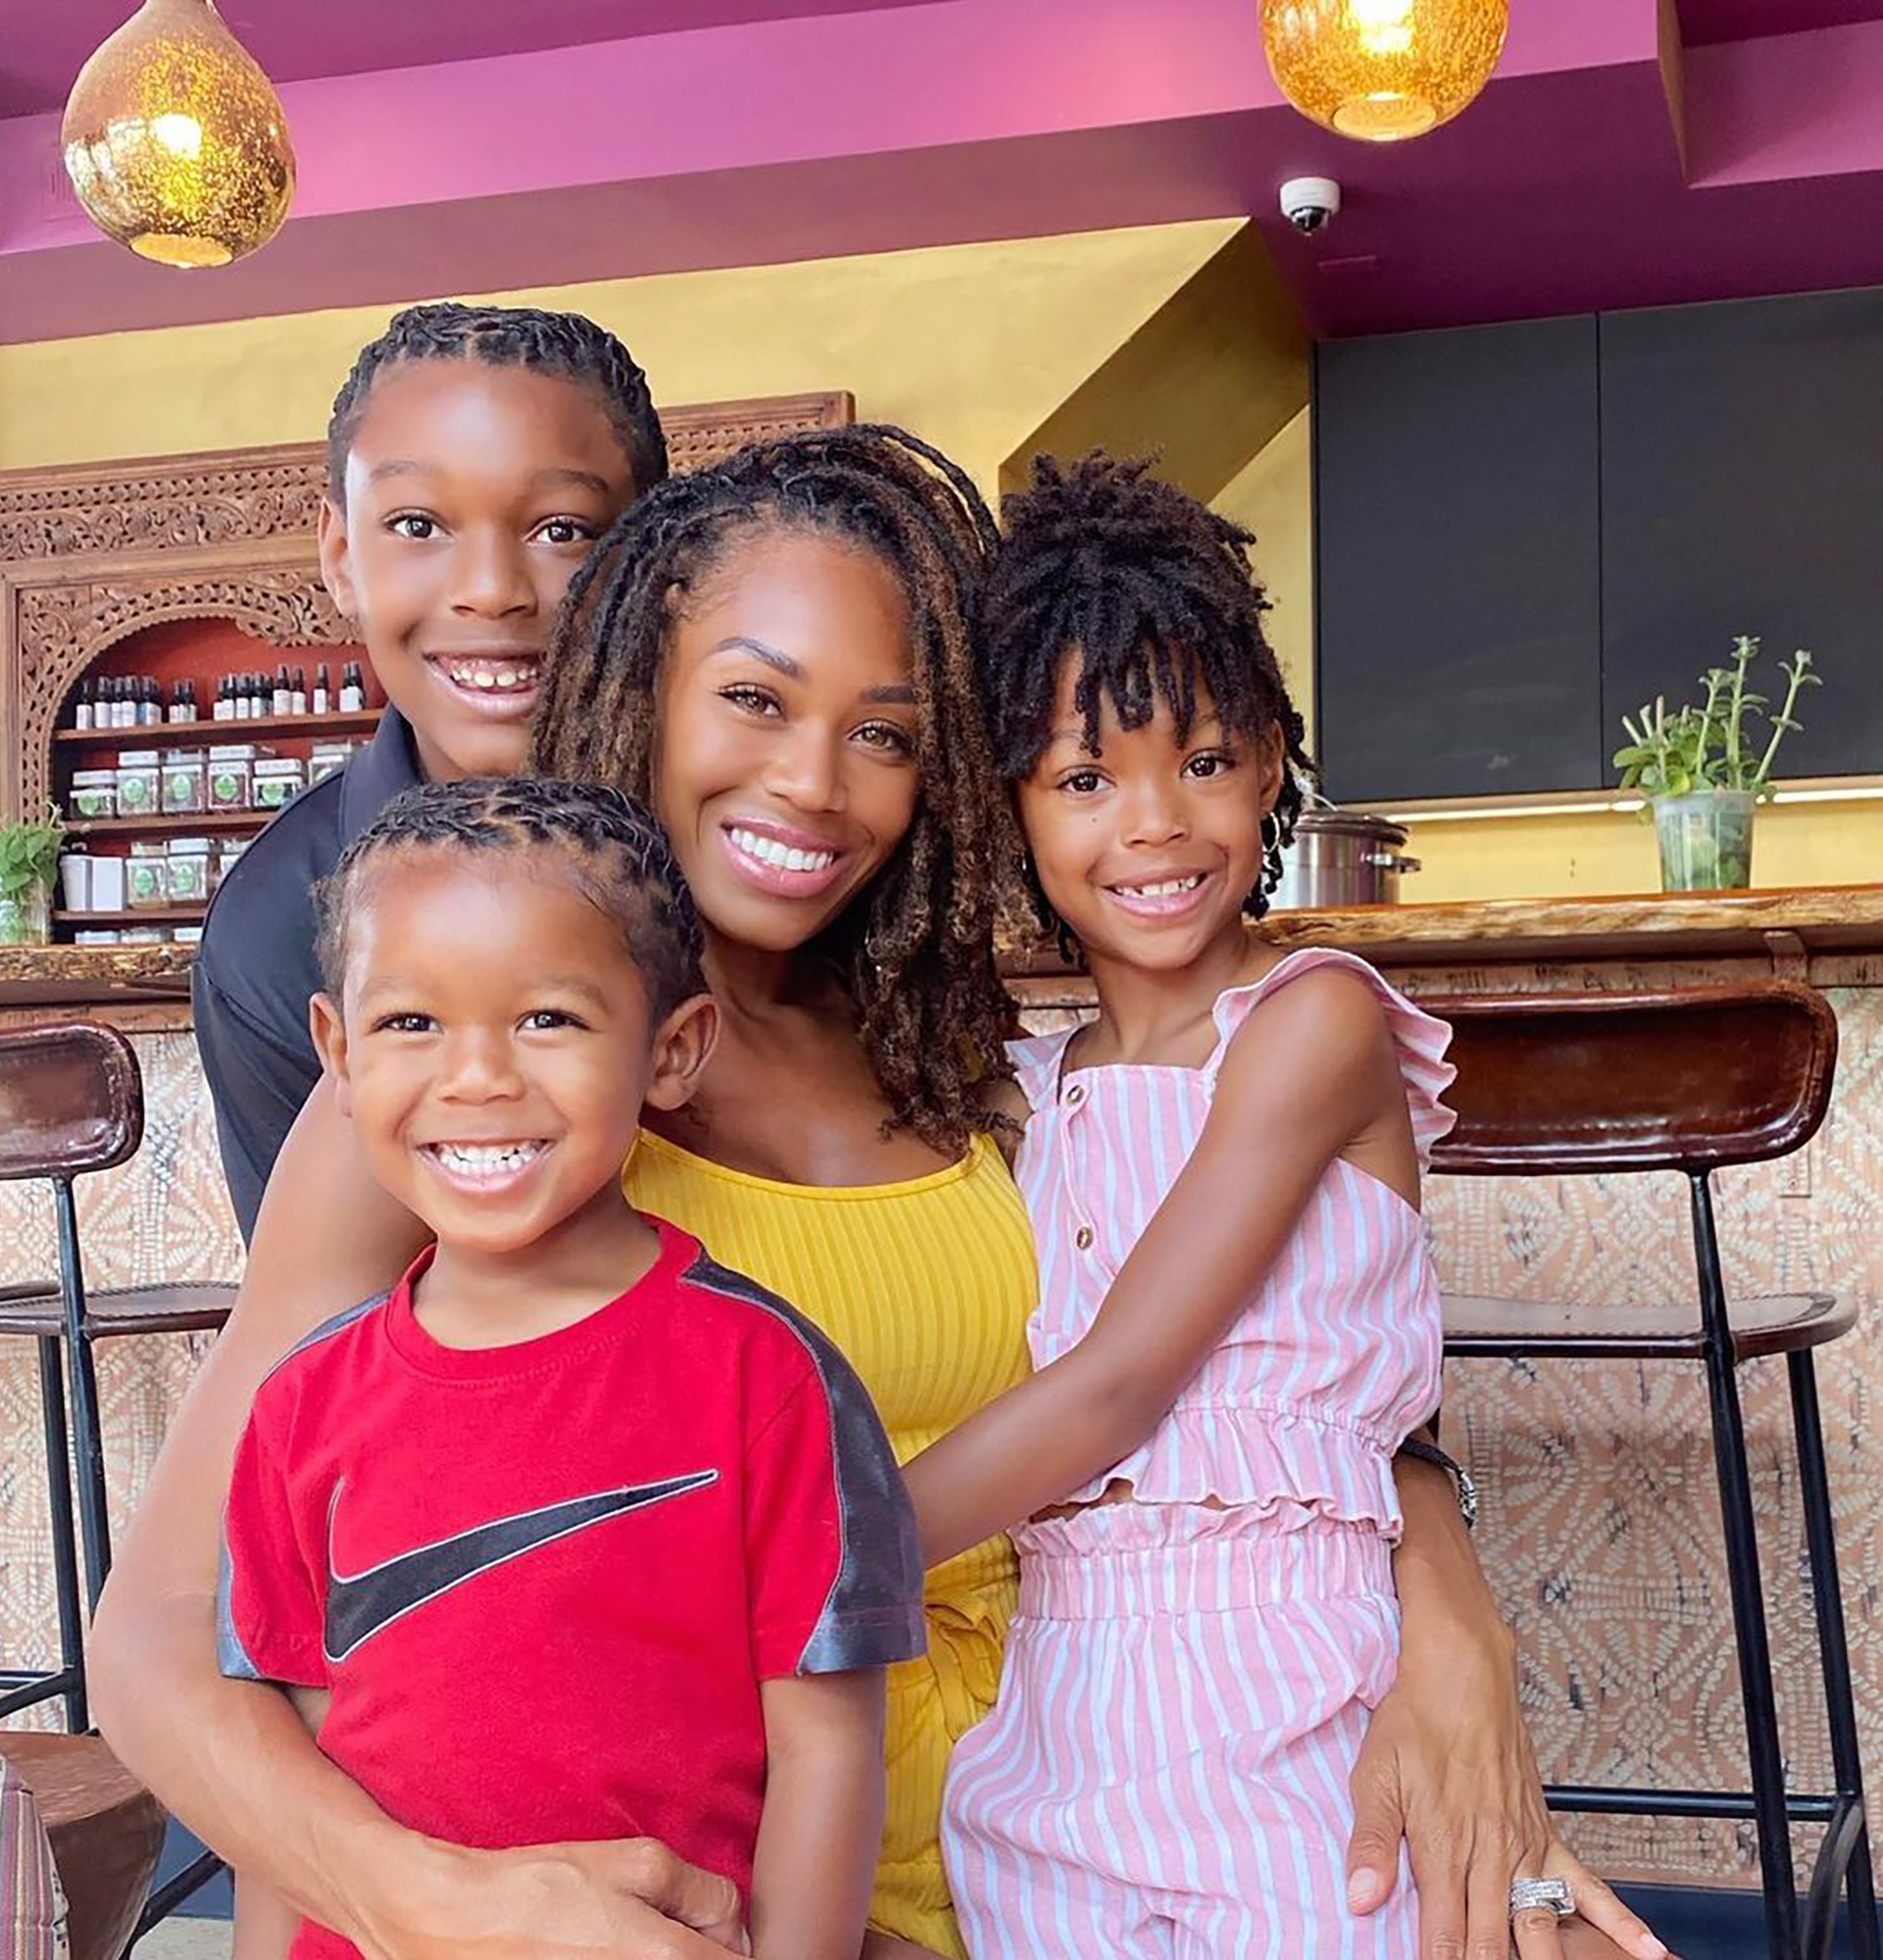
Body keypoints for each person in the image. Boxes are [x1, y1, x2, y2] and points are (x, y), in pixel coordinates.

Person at [94, 423, 1649, 1960]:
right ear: (640, 689)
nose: (813, 784)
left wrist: (1446, 1629)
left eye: (887, 736)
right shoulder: (492, 1100)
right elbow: (166, 1647)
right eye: (753, 699)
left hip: (1122, 1807)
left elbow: (1244, 1366)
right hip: (770, 1887)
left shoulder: (973, 1062)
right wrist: (431, 1901)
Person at [913, 453, 1669, 1960]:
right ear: (1011, 808)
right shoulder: (1022, 1090)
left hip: (1280, 1684)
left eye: (1202, 760)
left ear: (1269, 765)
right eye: (1084, 778)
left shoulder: (1311, 1022)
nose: (1155, 823)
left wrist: (800, 1544)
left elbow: (1119, 1387)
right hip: (1053, 1721)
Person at [219, 775, 922, 1960]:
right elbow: (292, 1789)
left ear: (670, 1049)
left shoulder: (765, 1377)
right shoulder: (299, 1404)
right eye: (410, 1023)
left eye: (546, 1018)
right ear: (336, 1052)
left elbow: (826, 1747)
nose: (477, 1077)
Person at [194, 301, 668, 1240]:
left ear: (650, 555)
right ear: (341, 555)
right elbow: (322, 1309)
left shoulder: (739, 831)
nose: (490, 591)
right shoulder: (279, 925)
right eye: (417, 523)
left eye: (562, 530)